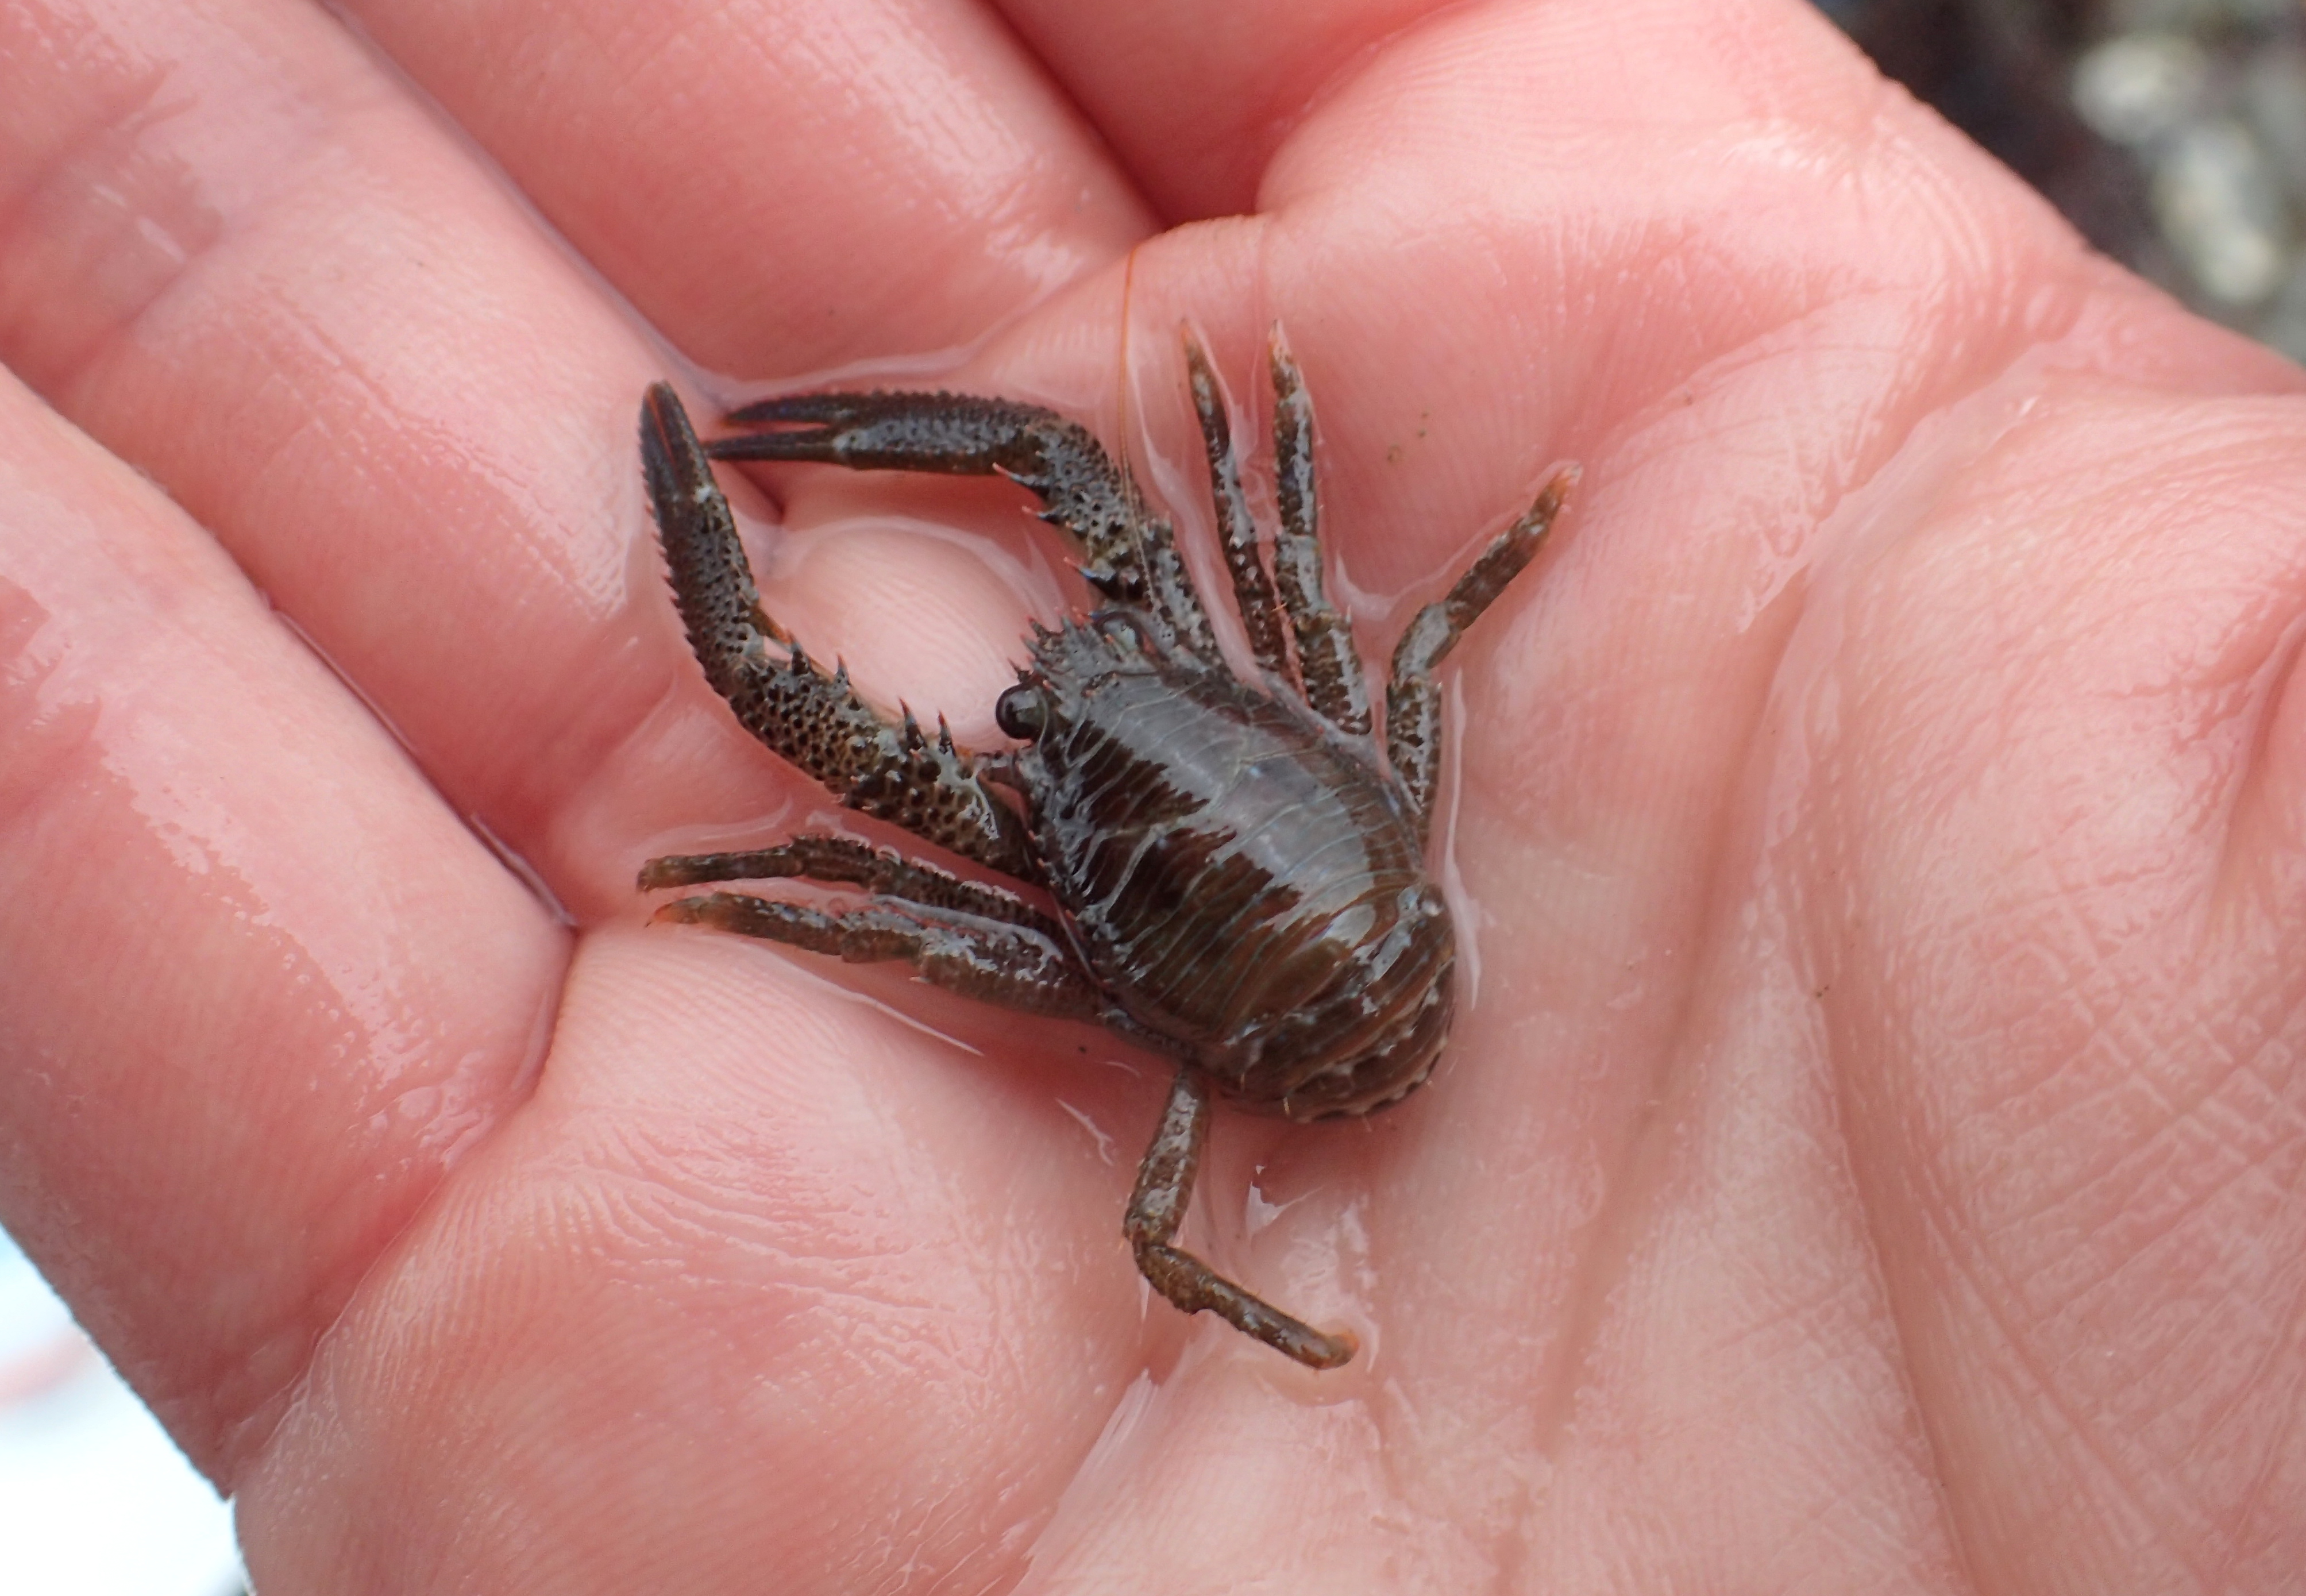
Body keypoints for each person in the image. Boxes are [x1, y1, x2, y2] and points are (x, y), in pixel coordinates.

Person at [0, 0, 2298, 1588]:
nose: (1036, 690)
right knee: (1207, 612)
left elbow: (856, 769)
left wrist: (767, 821)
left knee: (830, 831)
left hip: (1333, 987)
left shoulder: (1025, 853)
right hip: (1340, 904)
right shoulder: (1242, 653)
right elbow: (1354, 617)